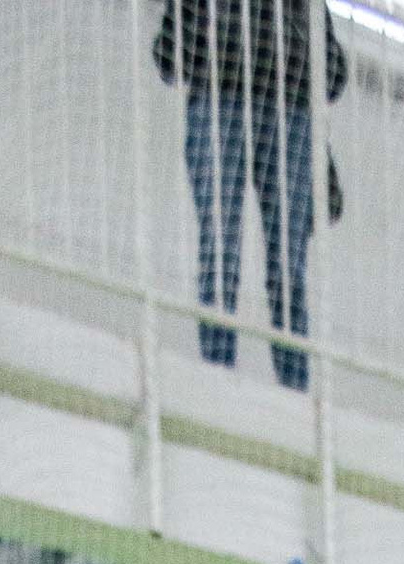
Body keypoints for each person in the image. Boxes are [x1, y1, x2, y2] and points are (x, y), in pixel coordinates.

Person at [153, 0, 345, 392]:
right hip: (249, 106)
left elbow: (334, 72)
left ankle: (262, 380)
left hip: (261, 108)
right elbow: (167, 53)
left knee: (265, 262)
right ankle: (234, 376)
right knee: (236, 256)